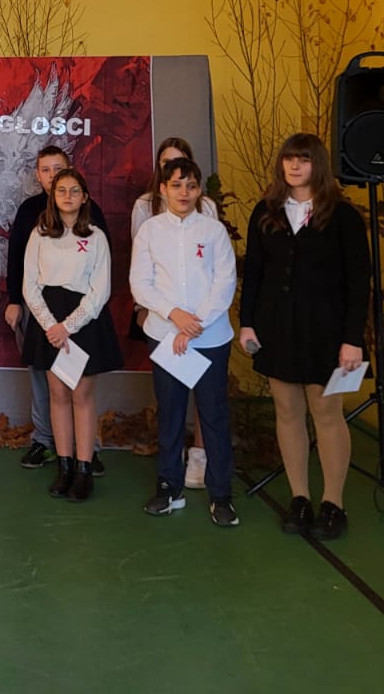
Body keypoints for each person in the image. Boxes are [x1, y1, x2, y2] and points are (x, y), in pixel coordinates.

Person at [239, 133, 370, 540]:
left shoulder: (343, 216)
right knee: (287, 411)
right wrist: (247, 324)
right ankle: (300, 497)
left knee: (326, 413)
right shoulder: (266, 211)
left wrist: (352, 338)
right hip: (276, 326)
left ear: (319, 165)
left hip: (327, 331)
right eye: (289, 159)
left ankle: (333, 502)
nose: (294, 166)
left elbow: (358, 281)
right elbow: (254, 272)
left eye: (304, 159)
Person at [130, 156, 239, 526]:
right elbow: (141, 283)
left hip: (210, 338)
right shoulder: (150, 231)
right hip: (164, 336)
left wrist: (195, 324)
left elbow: (224, 282)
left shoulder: (213, 231)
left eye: (191, 186)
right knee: (171, 414)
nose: (184, 193)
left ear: (198, 191)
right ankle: (169, 489)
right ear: (163, 189)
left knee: (214, 416)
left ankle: (221, 495)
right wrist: (174, 315)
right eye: (176, 185)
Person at [4, 145, 109, 474]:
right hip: (43, 315)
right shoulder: (33, 220)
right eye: (46, 171)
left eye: (59, 171)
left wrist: (71, 323)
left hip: (82, 316)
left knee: (82, 389)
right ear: (38, 175)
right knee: (49, 385)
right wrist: (21, 303)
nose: (54, 180)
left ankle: (86, 454)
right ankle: (49, 446)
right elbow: (20, 266)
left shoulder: (93, 225)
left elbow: (101, 277)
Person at [18, 168, 122, 501]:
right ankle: (64, 467)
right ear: (53, 196)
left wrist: (68, 326)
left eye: (74, 190)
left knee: (81, 396)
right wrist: (51, 326)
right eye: (61, 190)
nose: (67, 196)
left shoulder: (95, 237)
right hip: (48, 322)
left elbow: (100, 290)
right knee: (58, 394)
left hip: (83, 321)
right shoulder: (39, 234)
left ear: (85, 197)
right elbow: (29, 284)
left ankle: (84, 469)